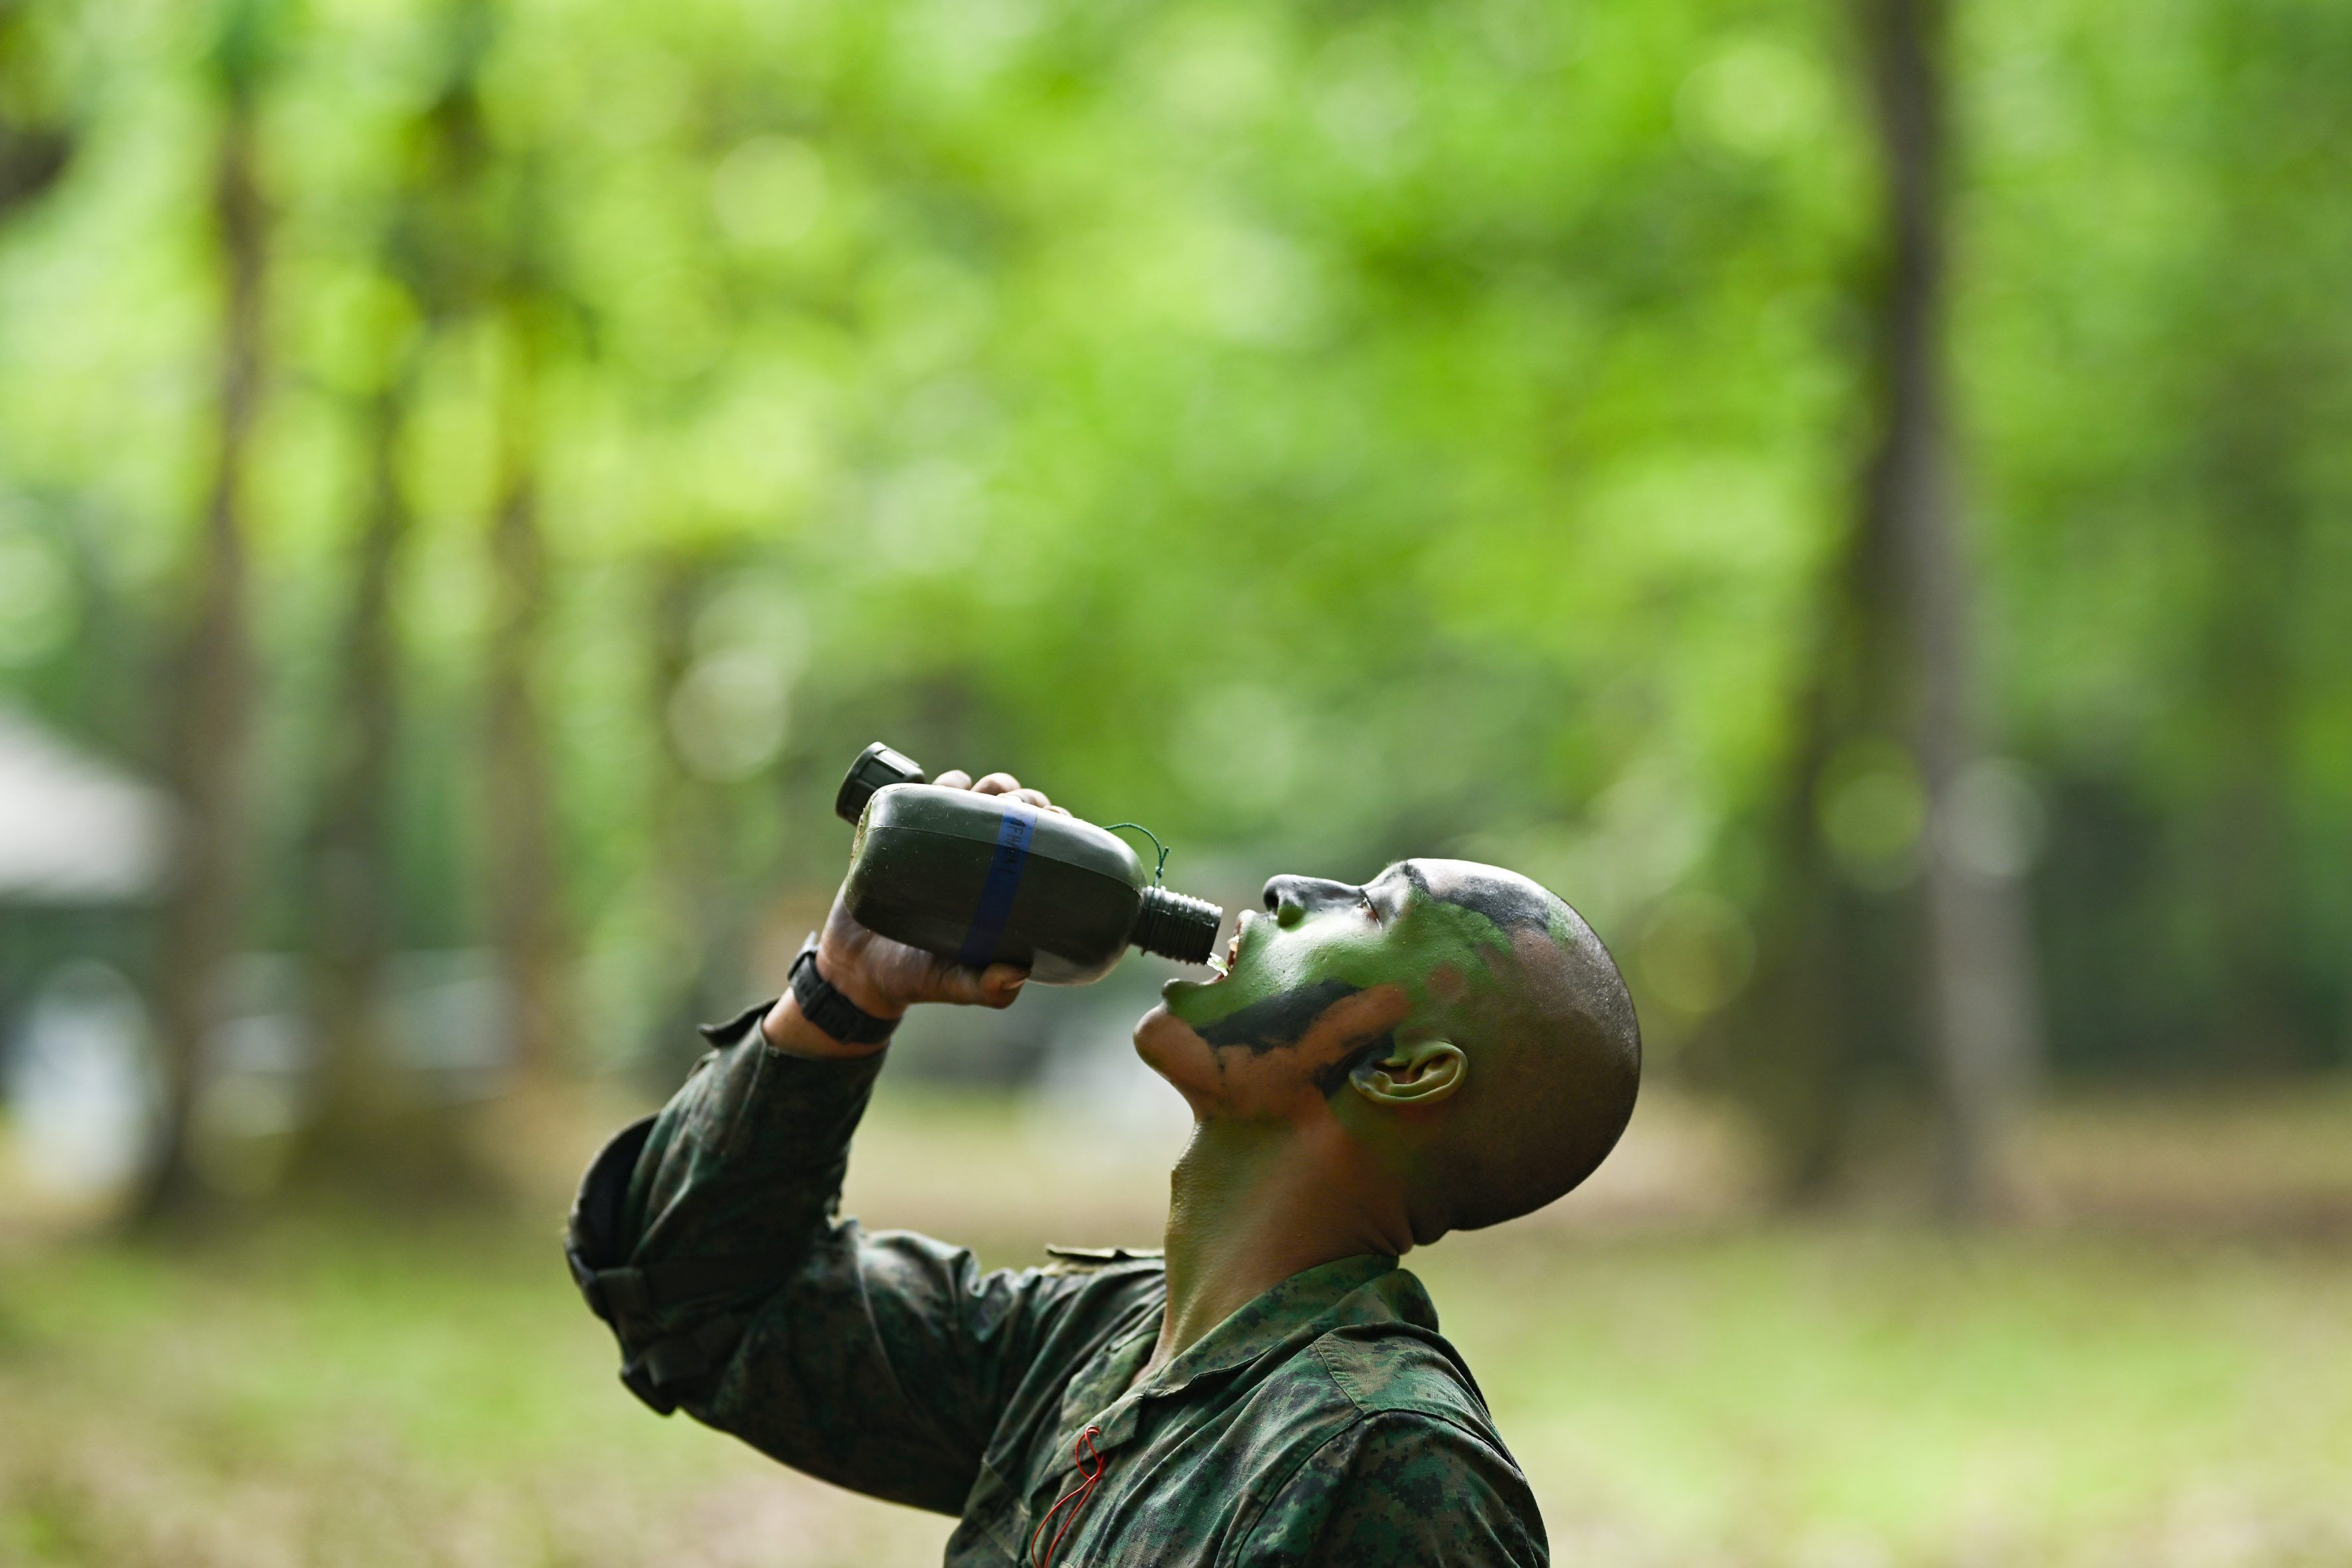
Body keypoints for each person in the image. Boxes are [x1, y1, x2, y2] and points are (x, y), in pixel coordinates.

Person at [568, 767, 1641, 1566]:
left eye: (1367, 907)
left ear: (1407, 1071)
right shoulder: (1100, 1346)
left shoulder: (1386, 1464)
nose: (1282, 889)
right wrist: (848, 986)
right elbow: (703, 1304)